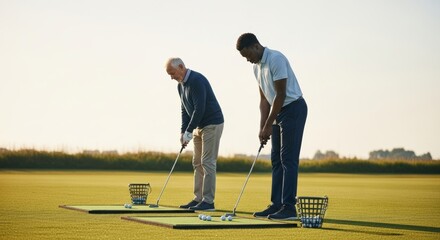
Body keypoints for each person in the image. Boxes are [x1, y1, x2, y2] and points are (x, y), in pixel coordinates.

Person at [235, 33, 308, 220]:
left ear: (256, 46)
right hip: (278, 111)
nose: (247, 60)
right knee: (276, 159)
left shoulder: (276, 59)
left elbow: (281, 95)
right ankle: (276, 204)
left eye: (247, 55)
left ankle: (289, 207)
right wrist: (262, 127)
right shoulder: (256, 68)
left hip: (293, 108)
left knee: (288, 158)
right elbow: (264, 99)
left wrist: (269, 124)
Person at [165, 57, 224, 211]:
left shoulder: (197, 80)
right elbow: (185, 109)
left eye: (173, 73)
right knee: (197, 162)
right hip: (198, 126)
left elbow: (200, 109)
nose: (172, 77)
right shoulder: (180, 86)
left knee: (207, 162)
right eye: (169, 75)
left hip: (212, 123)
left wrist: (189, 131)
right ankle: (198, 199)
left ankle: (208, 201)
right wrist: (183, 131)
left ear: (181, 66)